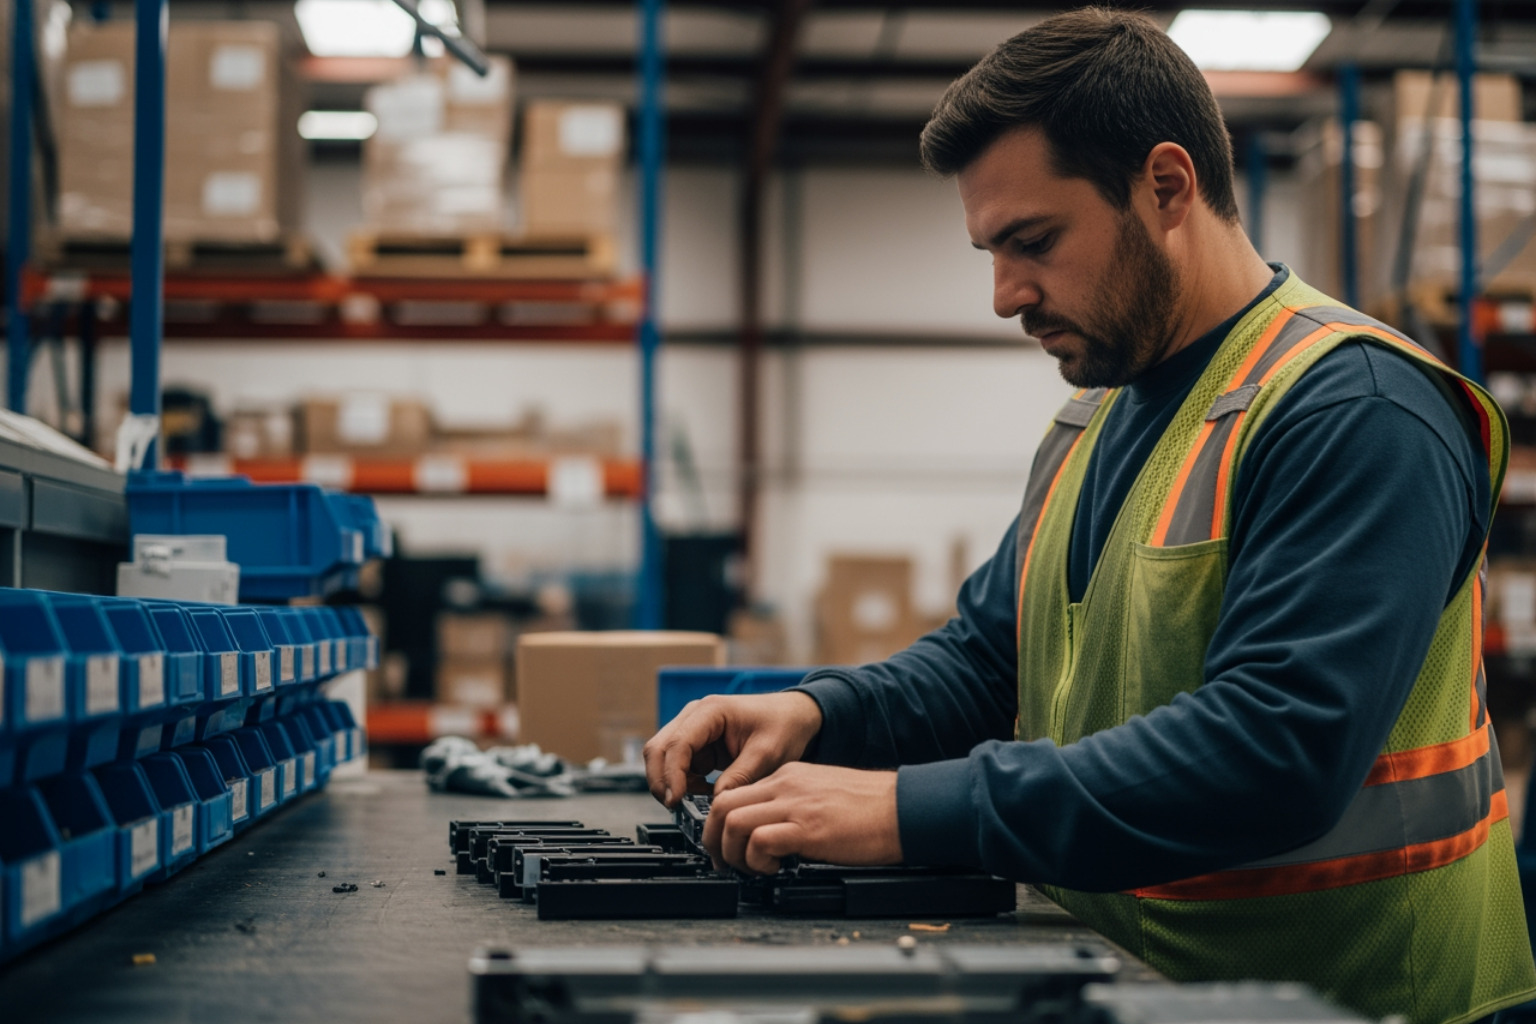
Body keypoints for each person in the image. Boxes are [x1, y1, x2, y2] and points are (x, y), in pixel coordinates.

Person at [642, 8, 1535, 1023]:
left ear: (1165, 187)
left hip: (1360, 1000)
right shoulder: (1097, 416)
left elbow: (1274, 750)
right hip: (1137, 989)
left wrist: (907, 809)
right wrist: (819, 712)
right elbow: (990, 661)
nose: (1003, 295)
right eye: (989, 249)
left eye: (1033, 242)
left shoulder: (1356, 409)